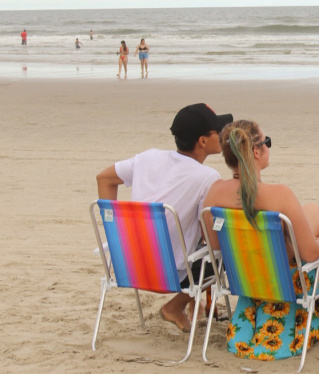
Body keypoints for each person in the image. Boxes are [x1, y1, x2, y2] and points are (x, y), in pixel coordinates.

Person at [202, 120, 319, 360]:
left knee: (314, 211)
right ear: (256, 151)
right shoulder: (279, 195)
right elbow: (311, 255)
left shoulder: (215, 192)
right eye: (266, 142)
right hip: (282, 282)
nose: (269, 147)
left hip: (246, 277)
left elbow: (216, 246)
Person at [96, 103, 233, 332]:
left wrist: (114, 228)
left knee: (185, 238)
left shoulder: (148, 158)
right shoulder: (208, 177)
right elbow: (209, 237)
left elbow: (104, 178)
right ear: (202, 141)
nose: (220, 135)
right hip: (169, 275)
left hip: (128, 265)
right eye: (216, 131)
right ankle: (175, 306)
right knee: (222, 251)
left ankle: (193, 303)